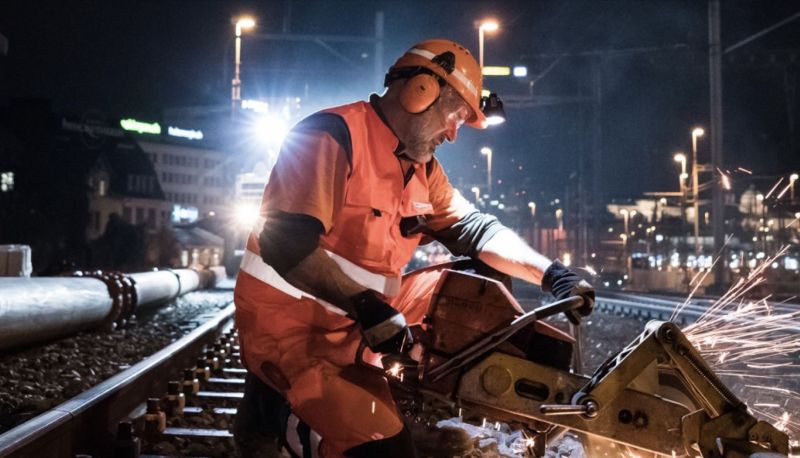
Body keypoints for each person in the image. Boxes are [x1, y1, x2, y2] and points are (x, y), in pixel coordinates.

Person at [232, 39, 595, 457]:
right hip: (294, 329)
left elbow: (478, 230)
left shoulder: (421, 168)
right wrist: (369, 308)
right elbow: (286, 242)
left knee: (480, 285)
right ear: (420, 91)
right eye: (455, 114)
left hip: (359, 320)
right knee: (384, 448)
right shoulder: (331, 136)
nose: (454, 133)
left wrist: (554, 276)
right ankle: (277, 413)